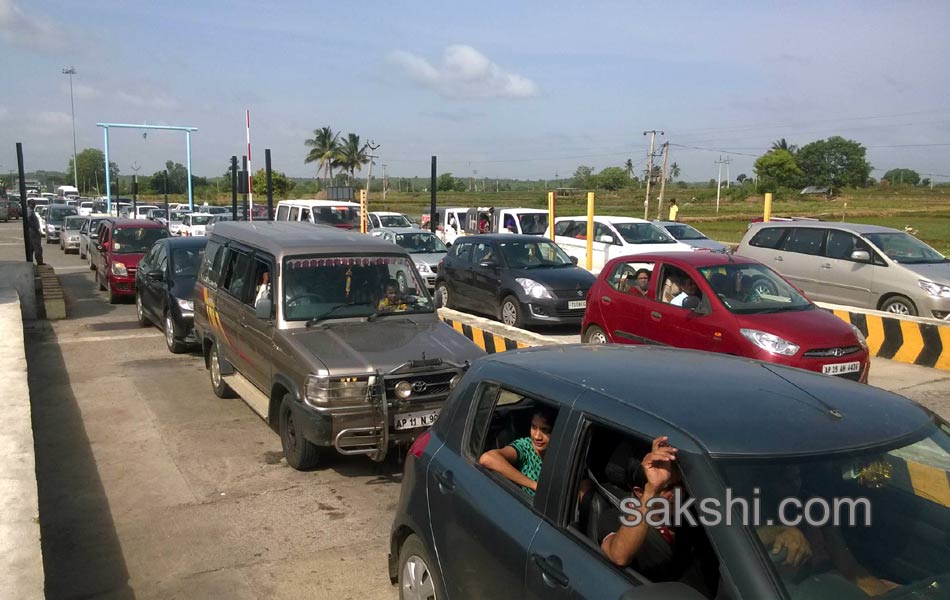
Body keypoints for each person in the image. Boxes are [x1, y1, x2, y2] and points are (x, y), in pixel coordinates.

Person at [479, 405, 556, 497]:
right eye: (534, 427)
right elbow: (487, 458)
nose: (537, 436)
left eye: (544, 430)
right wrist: (534, 485)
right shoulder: (526, 447)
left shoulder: (563, 452)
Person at [26, 200, 44, 265]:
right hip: (33, 232)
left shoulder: (30, 211)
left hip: (33, 231)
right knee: (37, 248)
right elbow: (28, 220)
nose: (34, 205)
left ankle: (30, 262)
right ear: (29, 204)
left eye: (34, 204)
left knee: (32, 248)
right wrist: (35, 228)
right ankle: (39, 262)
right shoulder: (29, 211)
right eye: (33, 204)